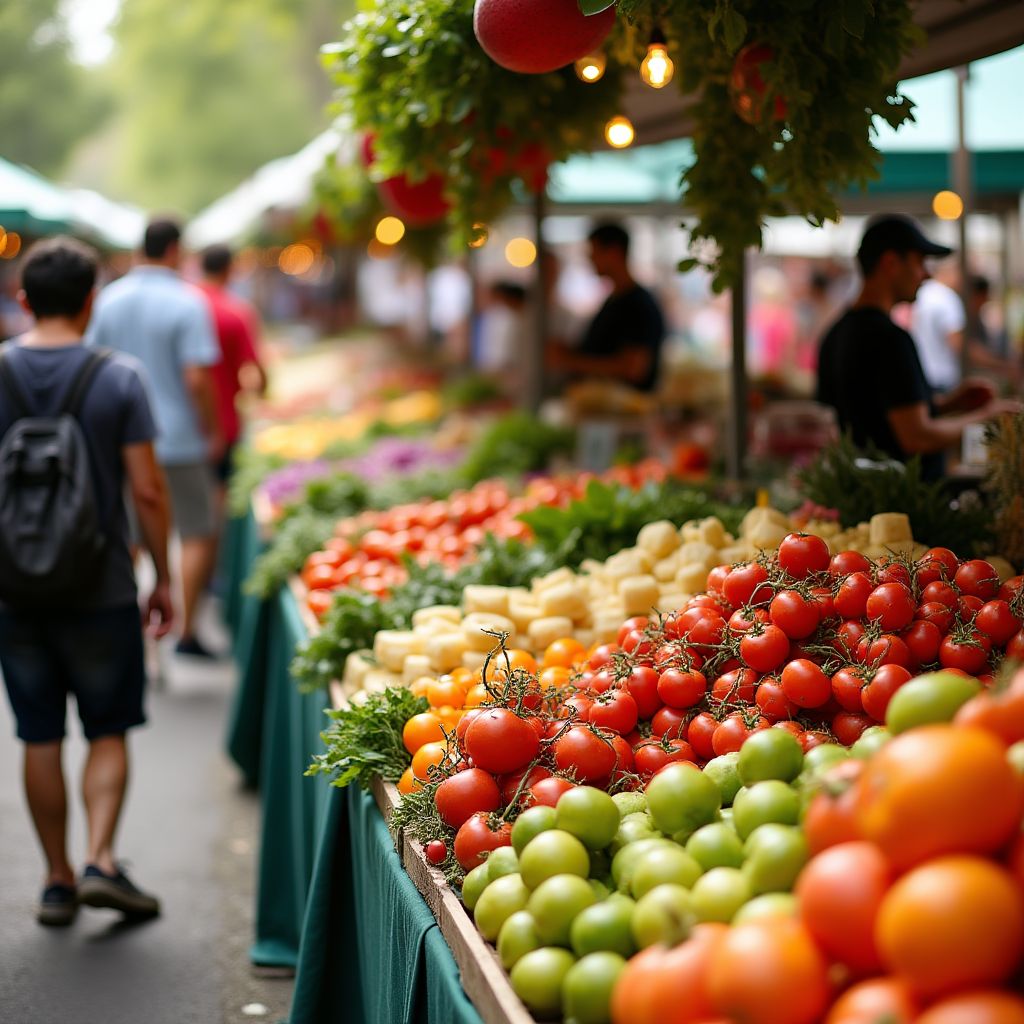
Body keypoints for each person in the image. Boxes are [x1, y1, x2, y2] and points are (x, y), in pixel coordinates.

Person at [0, 237, 173, 924]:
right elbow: (149, 491)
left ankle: (57, 877)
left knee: (38, 734)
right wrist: (161, 575)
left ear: (23, 300)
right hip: (101, 582)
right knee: (107, 727)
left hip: (13, 587)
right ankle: (102, 856)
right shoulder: (118, 377)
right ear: (91, 302)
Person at [86, 218, 223, 658]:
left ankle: (129, 629)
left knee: (130, 534)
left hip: (120, 441)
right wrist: (212, 426)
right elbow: (197, 379)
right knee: (196, 531)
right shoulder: (187, 302)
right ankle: (184, 631)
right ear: (174, 250)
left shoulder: (108, 299)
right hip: (178, 437)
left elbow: (92, 365)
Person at [816, 214, 1019, 480]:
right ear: (890, 263)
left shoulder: (838, 332)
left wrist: (949, 404)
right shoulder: (889, 338)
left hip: (863, 496)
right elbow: (917, 437)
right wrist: (987, 416)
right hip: (899, 502)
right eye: (920, 262)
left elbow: (875, 414)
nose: (927, 274)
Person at [546, 222, 665, 392]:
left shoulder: (638, 304)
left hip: (622, 412)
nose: (590, 259)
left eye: (594, 252)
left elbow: (634, 369)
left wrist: (569, 361)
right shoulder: (615, 299)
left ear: (614, 252)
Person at [196, 244, 267, 500]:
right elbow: (256, 370)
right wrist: (261, 394)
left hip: (183, 424)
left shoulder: (184, 306)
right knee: (219, 496)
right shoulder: (235, 312)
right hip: (224, 422)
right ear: (229, 269)